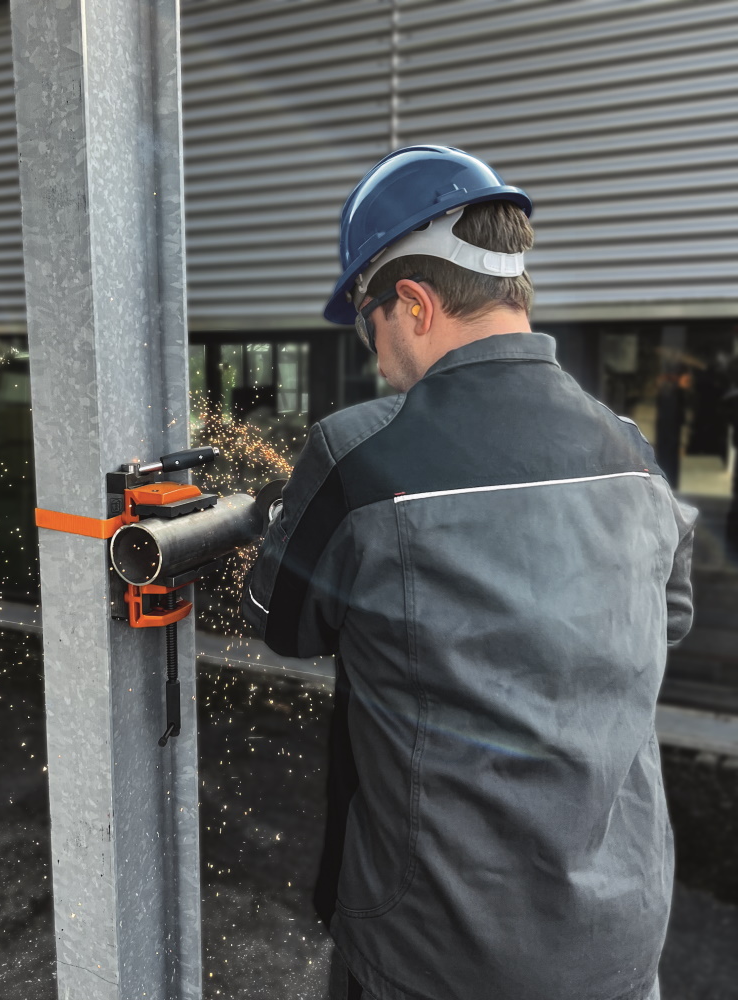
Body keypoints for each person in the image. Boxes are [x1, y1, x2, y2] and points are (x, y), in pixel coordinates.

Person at [241, 145, 697, 1000]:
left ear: (413, 304)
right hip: (620, 944)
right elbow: (665, 619)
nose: (376, 357)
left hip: (437, 953)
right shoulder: (631, 452)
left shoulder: (360, 454)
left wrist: (279, 523)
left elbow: (281, 623)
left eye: (369, 322)